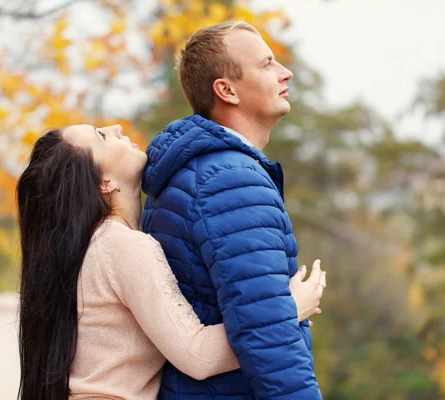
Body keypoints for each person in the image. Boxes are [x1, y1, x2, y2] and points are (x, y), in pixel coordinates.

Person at [16, 125, 325, 400]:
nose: (116, 127)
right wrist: (288, 309)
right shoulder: (121, 246)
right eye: (102, 136)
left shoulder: (96, 245)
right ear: (104, 182)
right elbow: (198, 355)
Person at [141, 21, 324, 399]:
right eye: (267, 64)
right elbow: (268, 335)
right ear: (226, 90)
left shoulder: (196, 171)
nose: (285, 72)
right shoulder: (230, 180)